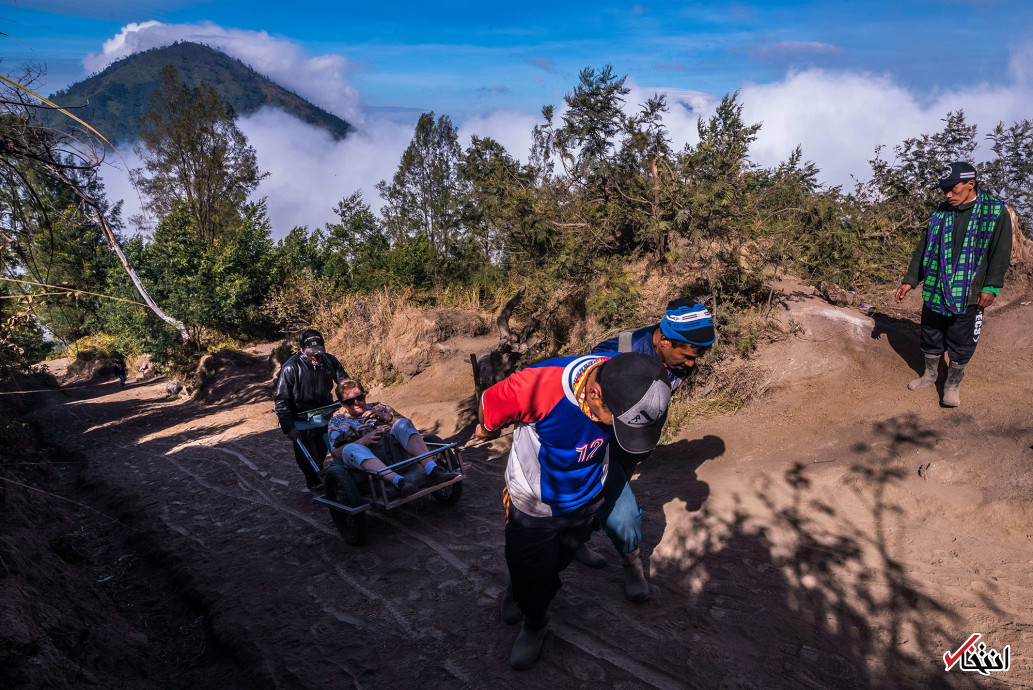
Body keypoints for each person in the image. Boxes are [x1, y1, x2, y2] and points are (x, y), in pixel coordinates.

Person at [475, 352, 671, 669]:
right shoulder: (535, 385)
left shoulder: (637, 379)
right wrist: (487, 427)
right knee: (531, 575)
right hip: (534, 503)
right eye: (615, 424)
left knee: (556, 564)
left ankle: (527, 593)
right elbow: (489, 405)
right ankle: (534, 619)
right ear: (594, 394)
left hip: (587, 498)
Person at [576, 299, 716, 602]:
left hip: (634, 444)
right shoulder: (616, 353)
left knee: (600, 505)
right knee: (621, 514)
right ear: (663, 340)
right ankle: (632, 566)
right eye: (688, 355)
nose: (692, 364)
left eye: (699, 355)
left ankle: (579, 541)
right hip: (602, 442)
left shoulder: (680, 358)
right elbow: (588, 405)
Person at [894, 162, 1012, 407]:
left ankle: (952, 384)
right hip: (936, 287)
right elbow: (923, 248)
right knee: (930, 332)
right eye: (944, 190)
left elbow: (1000, 252)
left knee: (961, 338)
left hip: (969, 291)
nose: (948, 195)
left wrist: (991, 287)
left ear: (971, 184)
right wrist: (910, 280)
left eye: (953, 188)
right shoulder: (940, 212)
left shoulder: (994, 212)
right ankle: (930, 374)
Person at [326, 379, 456, 497]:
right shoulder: (337, 422)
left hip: (396, 452)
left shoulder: (379, 406)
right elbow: (337, 453)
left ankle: (432, 468)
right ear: (342, 404)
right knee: (350, 448)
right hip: (365, 460)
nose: (357, 403)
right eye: (350, 401)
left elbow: (409, 426)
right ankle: (399, 481)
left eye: (360, 397)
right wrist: (362, 441)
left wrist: (387, 417)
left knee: (402, 423)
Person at [273, 329, 349, 490]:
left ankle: (335, 480)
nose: (316, 356)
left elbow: (345, 383)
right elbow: (282, 400)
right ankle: (315, 484)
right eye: (312, 353)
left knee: (326, 451)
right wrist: (289, 428)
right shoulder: (290, 368)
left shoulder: (329, 361)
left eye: (319, 352)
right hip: (301, 419)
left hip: (325, 414)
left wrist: (352, 400)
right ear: (301, 348)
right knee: (309, 459)